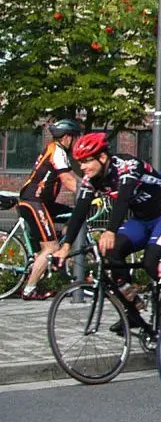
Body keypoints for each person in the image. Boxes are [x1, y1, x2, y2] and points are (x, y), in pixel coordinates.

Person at [51, 132, 161, 334]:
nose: (82, 167)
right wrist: (65, 247)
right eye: (79, 162)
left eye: (87, 161)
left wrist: (110, 230)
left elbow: (123, 199)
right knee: (111, 252)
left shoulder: (127, 166)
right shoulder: (92, 179)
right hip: (142, 219)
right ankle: (132, 309)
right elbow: (80, 211)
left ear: (103, 158)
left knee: (151, 262)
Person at [16, 119, 82, 300]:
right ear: (68, 137)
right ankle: (29, 290)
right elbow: (68, 181)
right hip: (34, 201)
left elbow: (72, 175)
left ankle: (50, 258)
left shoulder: (56, 150)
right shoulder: (57, 151)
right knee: (51, 247)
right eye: (76, 138)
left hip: (42, 203)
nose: (76, 142)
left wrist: (88, 184)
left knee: (74, 216)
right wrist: (90, 193)